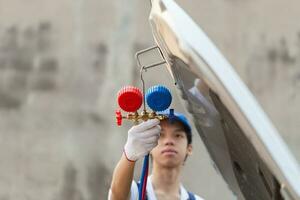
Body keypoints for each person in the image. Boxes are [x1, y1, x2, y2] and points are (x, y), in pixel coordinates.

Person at [108, 110, 205, 200]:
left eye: (177, 135)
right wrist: (128, 155)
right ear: (150, 144)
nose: (169, 141)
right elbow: (117, 195)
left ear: (189, 148)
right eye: (160, 134)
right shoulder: (134, 191)